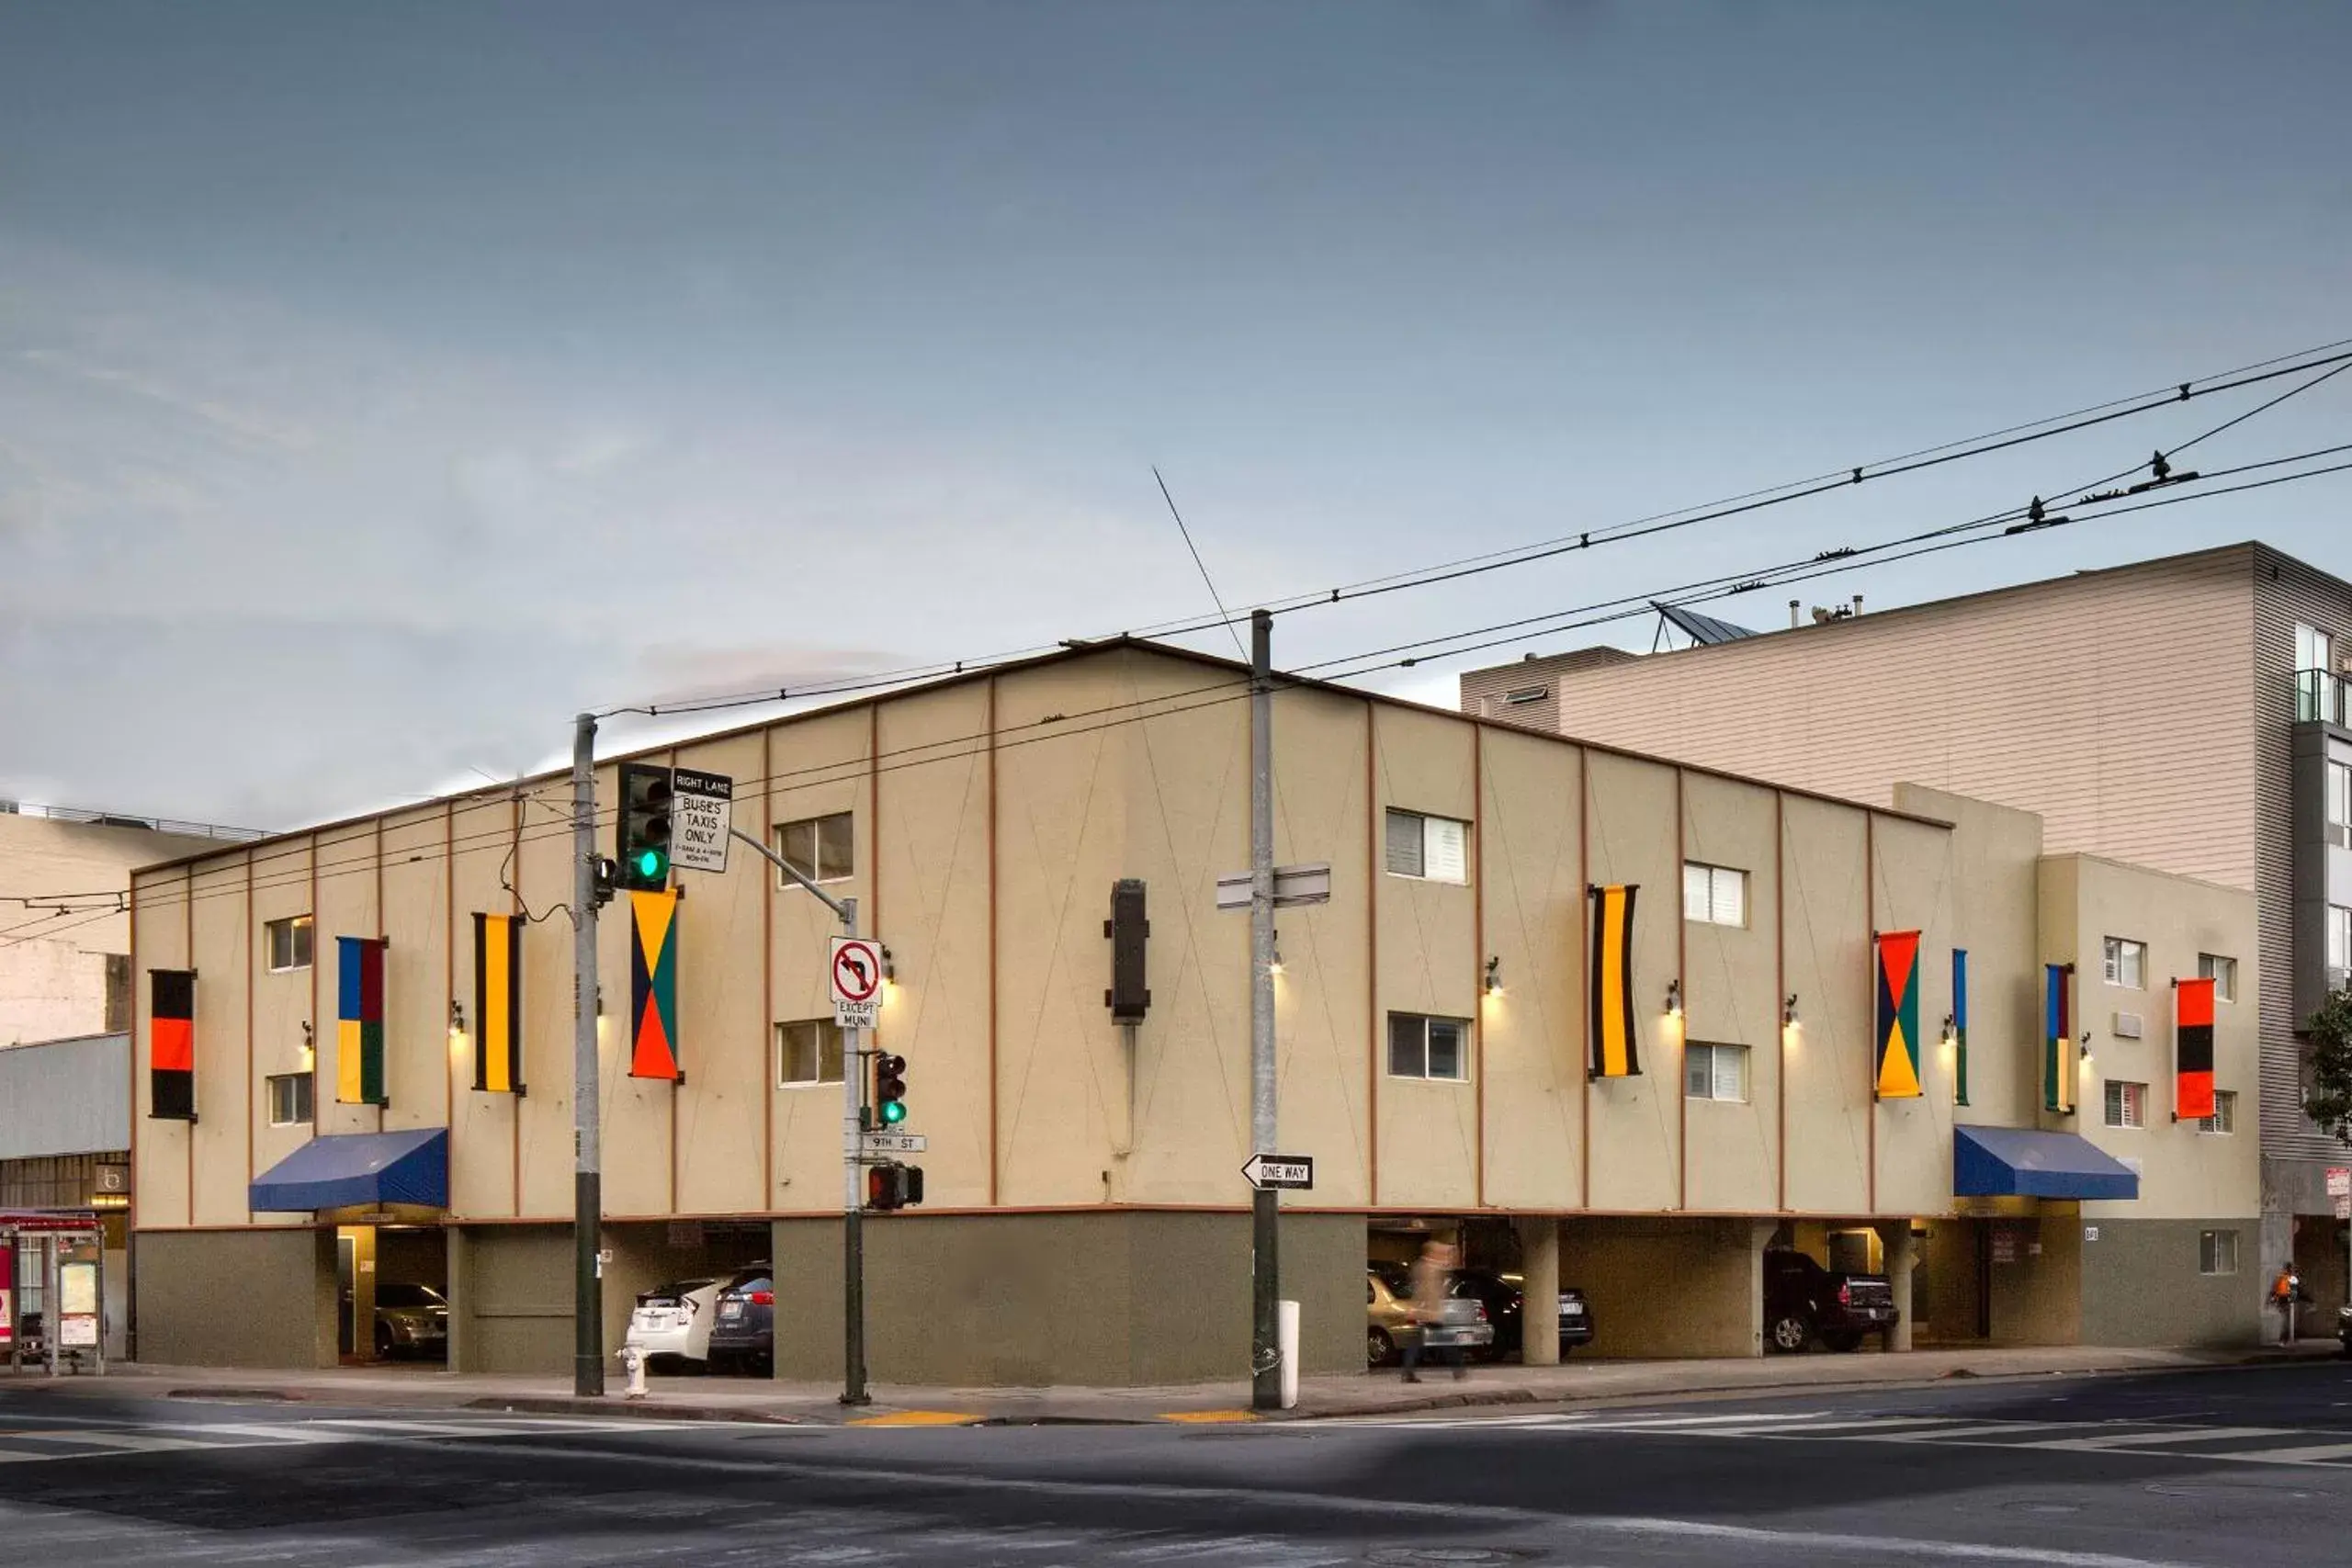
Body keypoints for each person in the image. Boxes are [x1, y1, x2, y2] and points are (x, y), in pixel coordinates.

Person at [1399, 1238, 1465, 1383]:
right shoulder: (1428, 1268)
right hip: (1429, 1311)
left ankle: (1408, 1372)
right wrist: (1418, 1307)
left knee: (1418, 1343)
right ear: (1431, 1252)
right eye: (1437, 1252)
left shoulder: (1424, 1266)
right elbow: (1423, 1290)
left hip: (1426, 1311)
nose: (1441, 1255)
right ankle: (1458, 1370)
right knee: (1446, 1341)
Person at [2270, 1262, 2300, 1346]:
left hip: (2285, 1301)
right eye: (2291, 1269)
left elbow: (2274, 1290)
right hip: (2284, 1300)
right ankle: (2284, 1339)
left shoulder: (2285, 1278)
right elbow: (2276, 1290)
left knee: (2288, 1320)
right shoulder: (2285, 1278)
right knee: (2286, 1321)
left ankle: (2287, 1338)